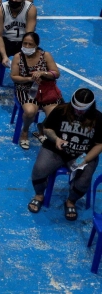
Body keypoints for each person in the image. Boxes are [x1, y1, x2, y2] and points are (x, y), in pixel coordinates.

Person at [28, 88, 101, 219]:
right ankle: (39, 194)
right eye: (76, 107)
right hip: (56, 150)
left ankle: (71, 201)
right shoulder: (61, 110)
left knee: (83, 181)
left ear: (90, 107)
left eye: (82, 109)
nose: (78, 111)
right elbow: (47, 128)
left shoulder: (99, 118)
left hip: (82, 155)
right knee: (39, 169)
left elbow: (99, 144)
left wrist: (85, 159)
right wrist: (56, 139)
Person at [10, 32, 62, 150]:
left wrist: (43, 73)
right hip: (25, 90)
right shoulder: (18, 57)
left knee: (55, 114)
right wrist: (29, 78)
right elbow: (14, 76)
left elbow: (56, 73)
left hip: (45, 90)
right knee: (29, 112)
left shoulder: (46, 55)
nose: (27, 47)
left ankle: (42, 127)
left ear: (37, 45)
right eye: (25, 43)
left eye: (30, 44)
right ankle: (25, 131)